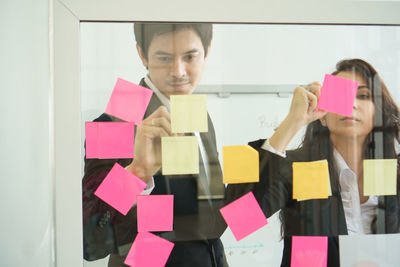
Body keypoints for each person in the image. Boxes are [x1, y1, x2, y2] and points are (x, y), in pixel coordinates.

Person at [226, 58, 400, 266]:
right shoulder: (301, 169)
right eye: (340, 95)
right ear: (323, 117)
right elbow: (239, 220)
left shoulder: (394, 173)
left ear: (378, 112)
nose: (352, 104)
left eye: (363, 95)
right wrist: (293, 121)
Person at [82, 23, 227, 267]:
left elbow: (207, 217)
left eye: (190, 56)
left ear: (207, 51)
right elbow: (91, 241)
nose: (179, 71)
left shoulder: (198, 114)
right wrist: (138, 171)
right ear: (142, 54)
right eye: (164, 58)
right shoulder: (117, 118)